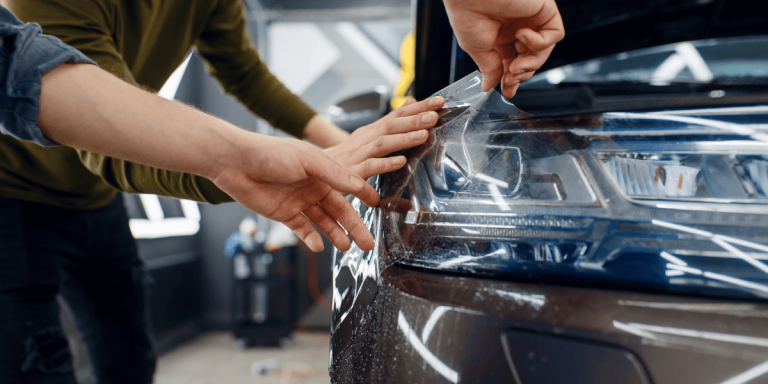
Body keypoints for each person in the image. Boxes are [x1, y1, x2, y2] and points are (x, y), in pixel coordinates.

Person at [1, 0, 563, 383]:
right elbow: (99, 146)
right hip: (14, 196)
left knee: (127, 357)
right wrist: (244, 164)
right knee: (33, 364)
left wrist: (343, 150)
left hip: (95, 205)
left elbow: (247, 75)